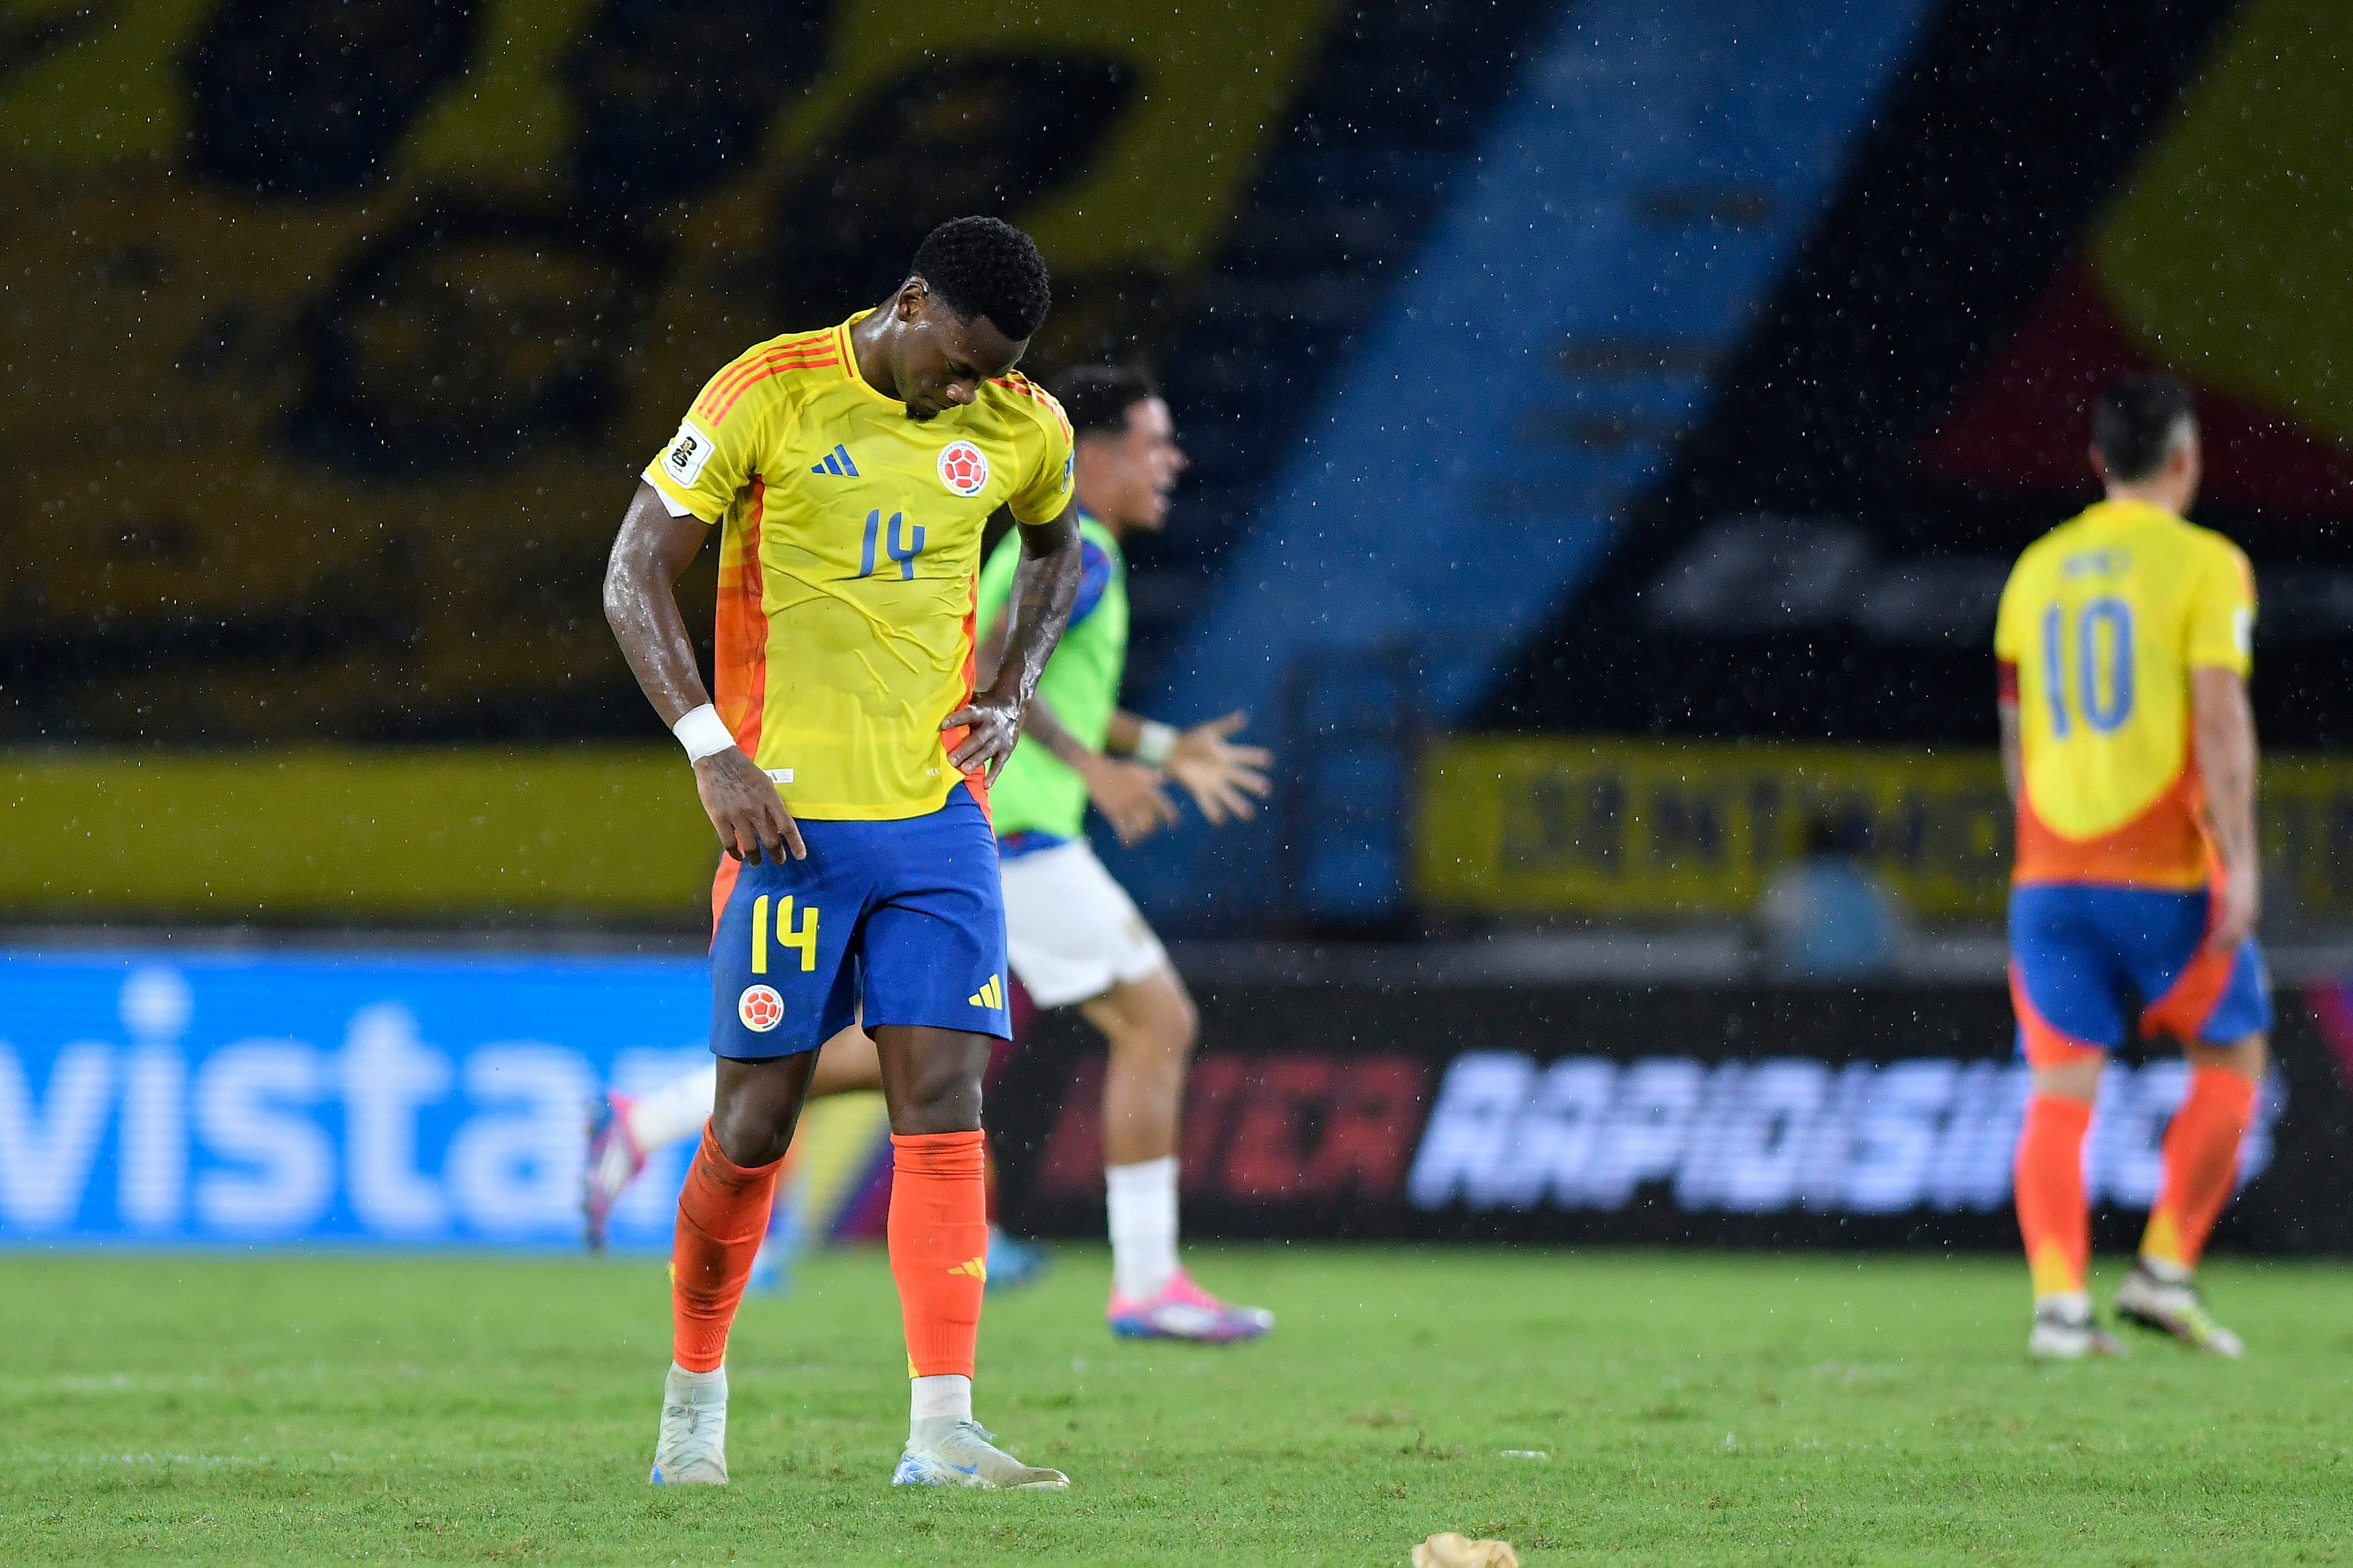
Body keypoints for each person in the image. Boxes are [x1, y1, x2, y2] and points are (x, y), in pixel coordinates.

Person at [586, 365, 1279, 1342]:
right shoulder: (1075, 560)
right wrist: (1098, 771)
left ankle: (648, 1118)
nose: (1172, 461)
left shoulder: (1072, 560)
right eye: (1154, 442)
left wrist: (1158, 750)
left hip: (984, 825)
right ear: (1098, 450)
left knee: (893, 1053)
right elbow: (1006, 674)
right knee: (1155, 1023)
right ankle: (1149, 1279)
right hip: (1010, 831)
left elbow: (1053, 689)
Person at [601, 215, 1083, 1490]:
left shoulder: (1020, 423)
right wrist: (712, 747)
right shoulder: (766, 391)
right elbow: (633, 568)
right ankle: (692, 1408)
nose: (971, 391)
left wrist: (1016, 682)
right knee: (754, 1124)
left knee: (945, 1100)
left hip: (936, 819)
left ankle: (941, 1430)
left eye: (993, 373)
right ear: (910, 300)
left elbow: (1057, 542)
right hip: (788, 827)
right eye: (959, 362)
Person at [1994, 373, 2269, 1360]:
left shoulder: (2033, 569)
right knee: (2232, 1057)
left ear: (2098, 462)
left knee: (2059, 1093)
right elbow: (2220, 715)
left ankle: (2059, 1308)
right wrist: (2240, 858)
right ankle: (2159, 1272)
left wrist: (2038, 853)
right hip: (2163, 878)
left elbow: (2016, 737)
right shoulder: (2206, 565)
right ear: (2185, 460)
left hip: (2049, 876)